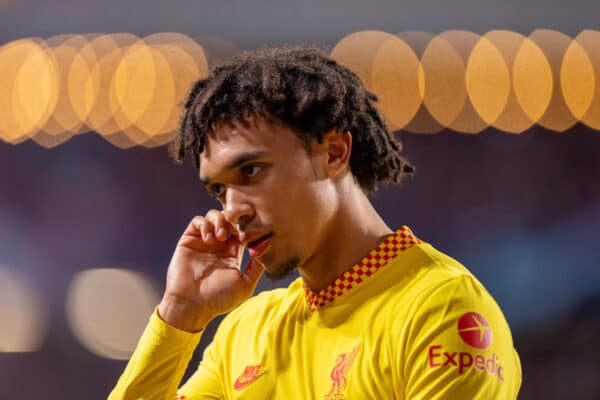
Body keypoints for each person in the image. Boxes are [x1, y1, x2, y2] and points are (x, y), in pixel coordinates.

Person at [109, 47, 521, 399]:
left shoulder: (442, 310)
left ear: (334, 153)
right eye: (219, 190)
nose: (232, 209)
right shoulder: (246, 333)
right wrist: (180, 313)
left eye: (251, 172)